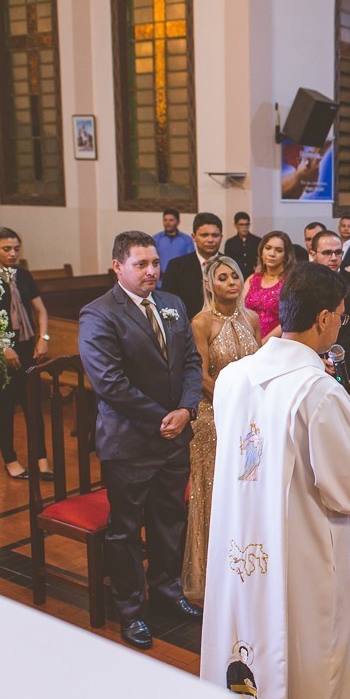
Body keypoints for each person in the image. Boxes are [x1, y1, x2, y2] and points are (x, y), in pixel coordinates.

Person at [201, 263, 350, 699]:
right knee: (306, 653)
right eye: (341, 316)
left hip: (240, 547)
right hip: (299, 556)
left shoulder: (233, 377)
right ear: (323, 319)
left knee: (242, 639)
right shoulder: (317, 391)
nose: (341, 324)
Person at [78, 231, 204, 650]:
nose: (152, 271)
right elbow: (109, 383)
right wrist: (162, 418)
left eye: (155, 263)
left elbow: (191, 361)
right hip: (130, 442)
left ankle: (167, 592)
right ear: (118, 267)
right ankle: (131, 609)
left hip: (174, 436)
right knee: (126, 529)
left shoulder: (172, 304)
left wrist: (186, 409)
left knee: (170, 521)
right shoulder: (99, 314)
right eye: (141, 264)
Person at [182, 256, 261, 603]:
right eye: (223, 277)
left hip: (250, 418)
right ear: (209, 285)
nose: (231, 282)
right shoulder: (201, 323)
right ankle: (209, 576)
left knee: (247, 489)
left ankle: (243, 567)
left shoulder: (252, 318)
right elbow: (199, 375)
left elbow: (258, 366)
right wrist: (232, 405)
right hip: (213, 417)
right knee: (214, 491)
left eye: (235, 277)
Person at [0, 228, 51, 480]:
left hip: (26, 347)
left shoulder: (23, 275)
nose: (13, 253)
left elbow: (40, 310)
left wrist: (43, 338)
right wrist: (3, 347)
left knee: (33, 405)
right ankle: (10, 460)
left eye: (16, 248)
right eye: (6, 249)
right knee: (5, 408)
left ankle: (41, 459)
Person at [309, 230, 350, 380]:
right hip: (309, 360)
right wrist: (315, 358)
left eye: (338, 252)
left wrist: (334, 358)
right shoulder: (303, 284)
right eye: (327, 253)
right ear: (313, 254)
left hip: (346, 361)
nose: (333, 258)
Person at [162, 212, 224, 318]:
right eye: (204, 235)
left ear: (221, 237)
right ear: (193, 237)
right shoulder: (176, 267)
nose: (210, 240)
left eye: (215, 235)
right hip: (187, 324)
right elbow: (168, 305)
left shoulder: (231, 266)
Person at [243, 231, 295, 338]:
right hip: (246, 337)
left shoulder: (291, 282)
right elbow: (239, 311)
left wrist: (263, 343)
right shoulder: (251, 279)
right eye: (268, 248)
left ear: (286, 256)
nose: (272, 254)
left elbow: (289, 320)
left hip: (276, 341)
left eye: (278, 250)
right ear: (261, 252)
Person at [152, 208, 194, 281]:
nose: (167, 223)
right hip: (160, 281)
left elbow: (190, 260)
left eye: (171, 220)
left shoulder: (187, 240)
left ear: (178, 222)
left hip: (180, 279)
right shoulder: (156, 239)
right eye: (165, 220)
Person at [224, 211, 260, 278]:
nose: (244, 227)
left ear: (249, 224)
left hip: (254, 276)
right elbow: (228, 262)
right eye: (241, 224)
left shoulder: (257, 241)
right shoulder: (230, 243)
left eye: (246, 224)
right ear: (235, 225)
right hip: (236, 277)